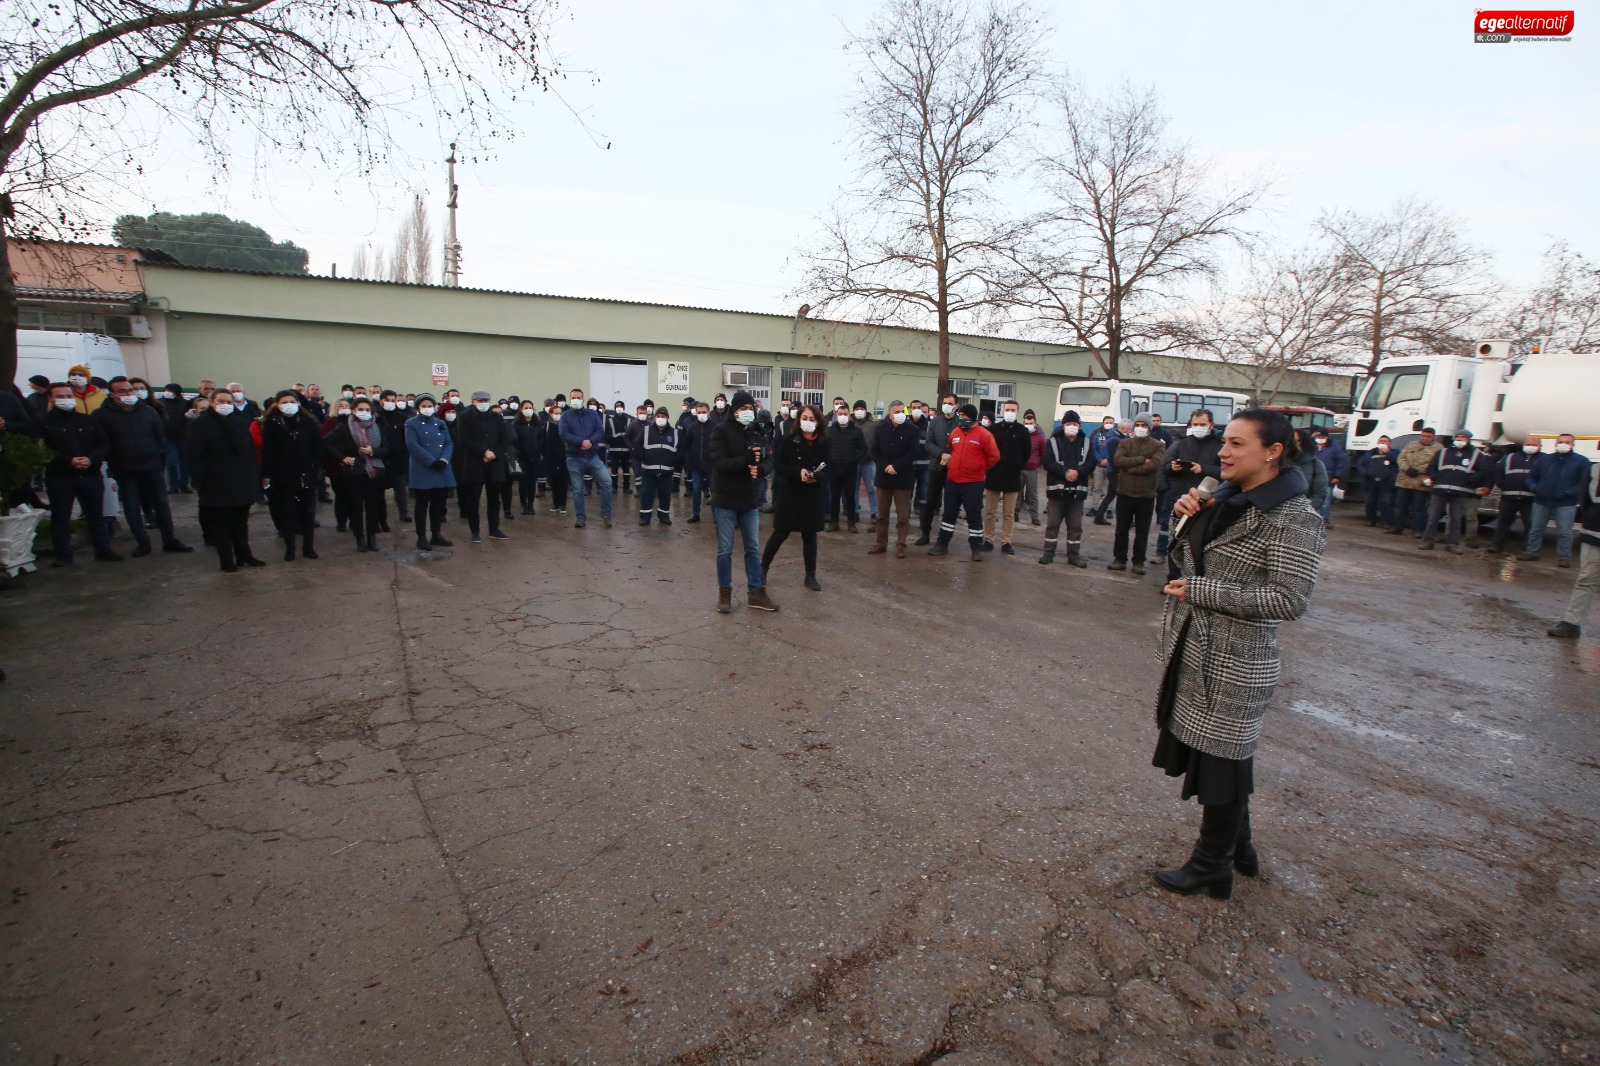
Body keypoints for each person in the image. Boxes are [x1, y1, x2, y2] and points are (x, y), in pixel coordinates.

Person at [1153, 408, 1326, 900]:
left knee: (1222, 761)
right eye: (1223, 441)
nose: (1222, 452)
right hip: (1198, 650)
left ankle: (1212, 867)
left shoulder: (1295, 518)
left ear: (1273, 452)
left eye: (1236, 444)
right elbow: (1184, 558)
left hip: (1236, 661)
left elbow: (1289, 599)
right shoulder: (1224, 497)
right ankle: (1240, 848)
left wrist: (1205, 592)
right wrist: (1183, 514)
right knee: (1221, 759)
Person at [93, 377, 192, 557]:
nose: (129, 394)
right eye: (122, 391)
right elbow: (101, 442)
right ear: (112, 394)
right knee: (132, 507)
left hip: (152, 467)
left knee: (162, 504)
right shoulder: (102, 415)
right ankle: (142, 542)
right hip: (124, 469)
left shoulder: (148, 411)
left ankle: (169, 539)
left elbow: (160, 437)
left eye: (130, 390)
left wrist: (159, 461)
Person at [31, 382, 121, 565]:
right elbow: (42, 449)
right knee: (61, 517)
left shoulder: (87, 420)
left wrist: (90, 458)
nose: (65, 400)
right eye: (60, 396)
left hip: (90, 475)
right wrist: (68, 460)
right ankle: (63, 554)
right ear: (51, 399)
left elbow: (104, 443)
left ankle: (103, 549)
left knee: (96, 515)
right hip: (60, 477)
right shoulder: (43, 422)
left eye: (68, 396)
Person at [710, 390, 778, 613]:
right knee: (725, 550)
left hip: (749, 500)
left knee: (753, 548)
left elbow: (769, 461)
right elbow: (719, 463)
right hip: (725, 499)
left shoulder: (757, 432)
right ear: (734, 410)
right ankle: (724, 593)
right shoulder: (720, 431)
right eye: (742, 409)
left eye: (750, 409)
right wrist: (744, 461)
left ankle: (756, 592)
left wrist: (759, 469)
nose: (747, 412)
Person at [186, 387, 264, 571]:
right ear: (212, 402)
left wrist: (255, 477)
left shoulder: (238, 423)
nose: (225, 405)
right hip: (215, 482)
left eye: (229, 402)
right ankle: (227, 560)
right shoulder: (199, 425)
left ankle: (245, 555)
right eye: (221, 401)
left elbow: (249, 452)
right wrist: (197, 480)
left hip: (241, 481)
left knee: (241, 522)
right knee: (221, 525)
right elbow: (193, 455)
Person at [762, 404, 827, 590]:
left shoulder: (823, 441)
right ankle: (763, 568)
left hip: (812, 494)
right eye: (804, 418)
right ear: (799, 420)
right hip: (791, 492)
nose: (808, 422)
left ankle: (810, 576)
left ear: (818, 421)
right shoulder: (790, 440)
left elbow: (829, 467)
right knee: (780, 532)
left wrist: (817, 477)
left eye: (812, 419)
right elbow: (779, 465)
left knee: (810, 535)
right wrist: (798, 472)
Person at [928, 404, 998, 562]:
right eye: (960, 415)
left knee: (974, 516)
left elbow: (994, 457)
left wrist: (980, 468)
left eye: (965, 416)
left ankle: (976, 548)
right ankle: (942, 544)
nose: (961, 419)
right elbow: (951, 449)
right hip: (953, 481)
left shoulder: (984, 435)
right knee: (948, 514)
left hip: (973, 483)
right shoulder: (955, 433)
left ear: (973, 418)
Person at [259, 389, 323, 561]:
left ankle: (308, 547)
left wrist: (314, 464)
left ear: (298, 404)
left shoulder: (309, 421)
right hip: (284, 475)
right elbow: (268, 451)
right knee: (288, 513)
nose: (289, 405)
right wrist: (267, 474)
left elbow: (318, 445)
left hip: (307, 474)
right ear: (278, 405)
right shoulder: (272, 423)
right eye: (284, 402)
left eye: (292, 402)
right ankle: (290, 549)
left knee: (308, 514)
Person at [1155, 409, 1222, 570]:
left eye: (1202, 424)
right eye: (1195, 424)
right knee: (1176, 538)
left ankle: (1193, 580)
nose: (1198, 427)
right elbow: (1165, 468)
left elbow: (1226, 472)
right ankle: (1172, 576)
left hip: (1206, 502)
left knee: (1199, 542)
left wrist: (1204, 469)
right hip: (1179, 498)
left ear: (1211, 425)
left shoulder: (1219, 447)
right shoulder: (1180, 445)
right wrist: (1173, 468)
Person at [322, 397, 391, 552]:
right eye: (360, 409)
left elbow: (386, 449)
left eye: (367, 410)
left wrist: (373, 451)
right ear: (353, 411)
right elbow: (326, 442)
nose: (364, 412)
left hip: (374, 472)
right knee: (356, 507)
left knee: (372, 507)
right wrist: (342, 457)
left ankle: (372, 538)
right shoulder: (344, 427)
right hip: (354, 473)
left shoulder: (377, 427)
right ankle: (360, 537)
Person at [1520, 434, 1592, 568]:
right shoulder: (1545, 460)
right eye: (1560, 442)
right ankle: (1532, 552)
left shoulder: (1581, 462)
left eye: (1567, 442)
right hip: (1541, 501)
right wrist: (1535, 488)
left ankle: (1564, 557)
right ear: (1555, 444)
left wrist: (1569, 492)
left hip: (1565, 503)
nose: (1563, 444)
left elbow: (1584, 482)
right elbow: (1530, 477)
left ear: (1572, 445)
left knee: (1565, 532)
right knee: (1536, 529)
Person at [1108, 412, 1164, 575]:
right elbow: (1118, 461)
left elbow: (1155, 465)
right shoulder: (1125, 443)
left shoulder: (1158, 445)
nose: (1140, 428)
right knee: (1121, 529)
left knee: (1142, 531)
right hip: (1125, 493)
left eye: (1144, 426)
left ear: (1149, 428)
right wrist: (1141, 460)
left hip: (1145, 496)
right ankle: (1119, 559)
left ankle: (1138, 562)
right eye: (1138, 425)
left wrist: (1130, 467)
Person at [1038, 410, 1095, 568]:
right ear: (1063, 425)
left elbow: (1091, 462)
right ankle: (1048, 553)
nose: (1071, 426)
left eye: (1074, 424)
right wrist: (1065, 472)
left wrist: (1078, 472)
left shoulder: (1087, 442)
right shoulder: (1053, 442)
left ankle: (1073, 555)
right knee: (1053, 524)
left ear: (1080, 425)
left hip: (1077, 493)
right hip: (1057, 493)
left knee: (1075, 526)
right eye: (1068, 424)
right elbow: (1047, 462)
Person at [455, 389, 512, 543]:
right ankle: (475, 531)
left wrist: (494, 453)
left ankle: (494, 529)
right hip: (475, 463)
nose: (483, 404)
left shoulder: (496, 417)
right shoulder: (465, 417)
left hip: (495, 463)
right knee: (473, 499)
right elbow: (464, 440)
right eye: (480, 401)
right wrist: (483, 452)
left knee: (494, 498)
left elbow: (504, 439)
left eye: (486, 401)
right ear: (473, 401)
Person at [1547, 471, 1599, 638]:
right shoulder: (1595, 469)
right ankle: (1572, 623)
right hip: (1594, 534)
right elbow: (1584, 500)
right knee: (1586, 580)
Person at [1419, 430, 1487, 554]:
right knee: (1433, 517)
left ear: (1468, 439)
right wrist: (1436, 477)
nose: (1460, 439)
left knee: (1455, 519)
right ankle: (1428, 541)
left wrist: (1468, 480)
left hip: (1461, 492)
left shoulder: (1477, 455)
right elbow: (1431, 467)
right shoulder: (1443, 452)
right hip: (1440, 489)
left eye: (1463, 437)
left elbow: (1482, 471)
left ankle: (1452, 544)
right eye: (1458, 437)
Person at [868, 400, 919, 558]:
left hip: (903, 478)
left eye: (902, 411)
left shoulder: (913, 430)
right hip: (883, 477)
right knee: (882, 515)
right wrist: (885, 466)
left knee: (903, 516)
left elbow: (913, 453)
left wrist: (896, 466)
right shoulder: (880, 428)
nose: (900, 415)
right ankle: (881, 543)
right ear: (889, 415)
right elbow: (874, 450)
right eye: (896, 412)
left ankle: (901, 545)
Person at [405, 394, 455, 551]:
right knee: (422, 505)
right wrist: (431, 461)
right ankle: (421, 537)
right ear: (418, 408)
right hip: (423, 468)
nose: (428, 408)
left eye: (430, 405)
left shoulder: (440, 423)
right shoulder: (411, 423)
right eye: (424, 406)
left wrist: (444, 459)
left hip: (441, 467)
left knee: (438, 504)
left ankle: (436, 534)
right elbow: (413, 445)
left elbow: (448, 443)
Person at [559, 387, 613, 528]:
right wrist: (580, 442)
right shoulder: (565, 416)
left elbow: (600, 430)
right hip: (574, 457)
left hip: (592, 455)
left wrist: (590, 441)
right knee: (578, 489)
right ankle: (580, 517)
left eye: (578, 397)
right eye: (573, 397)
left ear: (583, 399)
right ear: (570, 399)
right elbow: (564, 434)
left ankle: (605, 513)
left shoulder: (592, 414)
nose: (576, 400)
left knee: (607, 482)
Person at [982, 399, 1031, 555]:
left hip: (1012, 476)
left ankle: (1006, 541)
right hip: (993, 475)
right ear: (1002, 411)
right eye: (1007, 409)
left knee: (1009, 513)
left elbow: (1026, 453)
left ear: (1017, 412)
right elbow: (987, 450)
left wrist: (1016, 464)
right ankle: (988, 539)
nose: (1010, 412)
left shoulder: (1022, 431)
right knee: (990, 511)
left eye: (1013, 410)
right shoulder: (993, 429)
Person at [915, 394, 961, 545]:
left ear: (957, 406)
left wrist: (951, 456)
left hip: (954, 469)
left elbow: (962, 445)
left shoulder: (960, 423)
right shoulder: (934, 422)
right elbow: (928, 443)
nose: (947, 405)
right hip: (936, 467)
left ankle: (944, 538)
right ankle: (925, 534)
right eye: (945, 402)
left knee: (950, 503)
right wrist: (941, 453)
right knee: (930, 502)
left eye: (950, 403)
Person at [1488, 435, 1540, 554]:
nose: (1530, 446)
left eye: (1534, 444)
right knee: (1503, 523)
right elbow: (1498, 471)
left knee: (1531, 525)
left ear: (1540, 446)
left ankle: (1528, 549)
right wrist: (1501, 484)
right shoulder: (1511, 457)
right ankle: (1497, 545)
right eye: (1528, 444)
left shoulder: (1543, 459)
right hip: (1508, 497)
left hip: (1531, 499)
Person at [823, 402, 869, 533]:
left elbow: (863, 448)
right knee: (834, 497)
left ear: (849, 415)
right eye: (840, 414)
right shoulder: (829, 431)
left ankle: (851, 523)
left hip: (850, 470)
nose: (843, 416)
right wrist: (828, 462)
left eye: (845, 414)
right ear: (836, 416)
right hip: (833, 470)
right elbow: (824, 449)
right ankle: (834, 522)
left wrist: (855, 460)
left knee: (850, 497)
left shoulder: (856, 431)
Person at [1391, 428, 1442, 536]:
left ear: (1433, 437)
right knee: (1399, 506)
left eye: (1428, 436)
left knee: (1419, 508)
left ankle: (1417, 530)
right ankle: (1397, 527)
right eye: (1423, 436)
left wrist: (1419, 470)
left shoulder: (1439, 448)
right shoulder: (1411, 444)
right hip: (1405, 481)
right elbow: (1401, 458)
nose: (1425, 438)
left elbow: (1435, 464)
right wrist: (1407, 469)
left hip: (1421, 483)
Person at [635, 408, 678, 525]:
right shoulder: (646, 430)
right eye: (658, 416)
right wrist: (644, 456)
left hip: (666, 472)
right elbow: (637, 445)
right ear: (655, 417)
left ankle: (664, 516)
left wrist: (673, 460)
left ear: (667, 418)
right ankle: (645, 517)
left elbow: (680, 450)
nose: (661, 418)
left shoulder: (674, 432)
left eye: (663, 416)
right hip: (649, 471)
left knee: (665, 494)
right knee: (646, 494)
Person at [379, 390, 413, 524]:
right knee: (379, 491)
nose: (391, 403)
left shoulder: (401, 418)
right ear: (382, 401)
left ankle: (403, 513)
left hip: (399, 458)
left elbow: (406, 438)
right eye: (389, 400)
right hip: (381, 459)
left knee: (400, 489)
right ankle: (381, 518)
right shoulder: (376, 417)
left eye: (393, 401)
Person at [680, 401, 715, 523]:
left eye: (703, 412)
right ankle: (695, 514)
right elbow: (687, 446)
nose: (701, 415)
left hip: (711, 466)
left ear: (708, 413)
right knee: (696, 490)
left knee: (714, 490)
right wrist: (689, 463)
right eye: (699, 412)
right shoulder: (692, 427)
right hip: (696, 466)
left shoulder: (715, 427)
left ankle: (716, 516)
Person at [157, 383, 192, 493]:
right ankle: (173, 485)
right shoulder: (159, 403)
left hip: (183, 436)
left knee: (184, 463)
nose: (168, 393)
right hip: (168, 437)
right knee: (172, 462)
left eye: (171, 391)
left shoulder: (185, 403)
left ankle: (184, 484)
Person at [1360, 436, 1400, 528]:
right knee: (1370, 502)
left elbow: (1398, 462)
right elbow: (1361, 465)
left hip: (1387, 483)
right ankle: (1370, 519)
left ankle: (1386, 522)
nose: (1382, 442)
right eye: (1381, 441)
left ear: (1389, 443)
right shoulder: (1370, 453)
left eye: (1385, 441)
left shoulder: (1394, 452)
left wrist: (1388, 453)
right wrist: (1366, 473)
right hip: (1372, 482)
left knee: (1385, 502)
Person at [1290, 428, 1331, 519]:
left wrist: (1303, 512)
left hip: (1300, 518)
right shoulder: (1275, 463)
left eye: (1294, 441)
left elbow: (1320, 494)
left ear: (1303, 443)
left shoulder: (1316, 465)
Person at [1015, 409, 1046, 528]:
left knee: (1032, 494)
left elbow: (1043, 454)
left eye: (1030, 423)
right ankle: (1015, 513)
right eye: (1026, 423)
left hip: (1032, 470)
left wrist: (1037, 463)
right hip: (1020, 469)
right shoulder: (1020, 435)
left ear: (1035, 423)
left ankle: (1035, 517)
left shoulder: (1040, 438)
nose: (1028, 425)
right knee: (1017, 493)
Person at [1089, 416, 1122, 525]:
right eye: (1106, 422)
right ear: (1102, 423)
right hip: (1099, 465)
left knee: (1111, 491)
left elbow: (1115, 453)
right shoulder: (1098, 434)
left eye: (1111, 422)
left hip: (1110, 466)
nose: (1108, 424)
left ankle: (1109, 510)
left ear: (1114, 424)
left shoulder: (1117, 436)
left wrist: (1108, 461)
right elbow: (1094, 448)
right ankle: (1095, 508)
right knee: (1097, 488)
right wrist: (1099, 459)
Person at [1310, 429, 1347, 526]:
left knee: (1325, 500)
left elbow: (1341, 463)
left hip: (1328, 477)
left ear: (1327, 437)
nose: (1320, 439)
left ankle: (1325, 519)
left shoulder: (1335, 449)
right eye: (1318, 437)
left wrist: (1337, 475)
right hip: (1312, 477)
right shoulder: (1312, 448)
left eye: (1322, 437)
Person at [513, 401, 544, 515]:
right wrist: (521, 450)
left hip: (535, 457)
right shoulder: (516, 424)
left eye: (530, 407)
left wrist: (539, 450)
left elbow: (541, 438)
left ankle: (531, 505)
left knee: (532, 482)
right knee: (523, 481)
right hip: (522, 457)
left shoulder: (537, 423)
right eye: (526, 408)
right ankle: (523, 504)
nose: (528, 410)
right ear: (521, 409)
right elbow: (515, 441)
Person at [541, 402, 571, 515]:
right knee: (554, 482)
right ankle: (555, 503)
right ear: (550, 414)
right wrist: (544, 455)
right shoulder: (547, 426)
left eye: (560, 413)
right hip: (551, 459)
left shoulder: (566, 426)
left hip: (564, 458)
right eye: (556, 413)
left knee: (563, 482)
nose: (558, 415)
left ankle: (563, 504)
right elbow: (543, 441)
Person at [607, 402, 634, 495]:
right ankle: (614, 487)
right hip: (614, 450)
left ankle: (626, 487)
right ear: (615, 408)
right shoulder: (610, 420)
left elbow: (631, 435)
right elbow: (608, 435)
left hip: (626, 451)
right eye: (617, 406)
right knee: (614, 470)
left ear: (624, 408)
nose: (619, 408)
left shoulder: (629, 421)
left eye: (621, 406)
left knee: (626, 470)